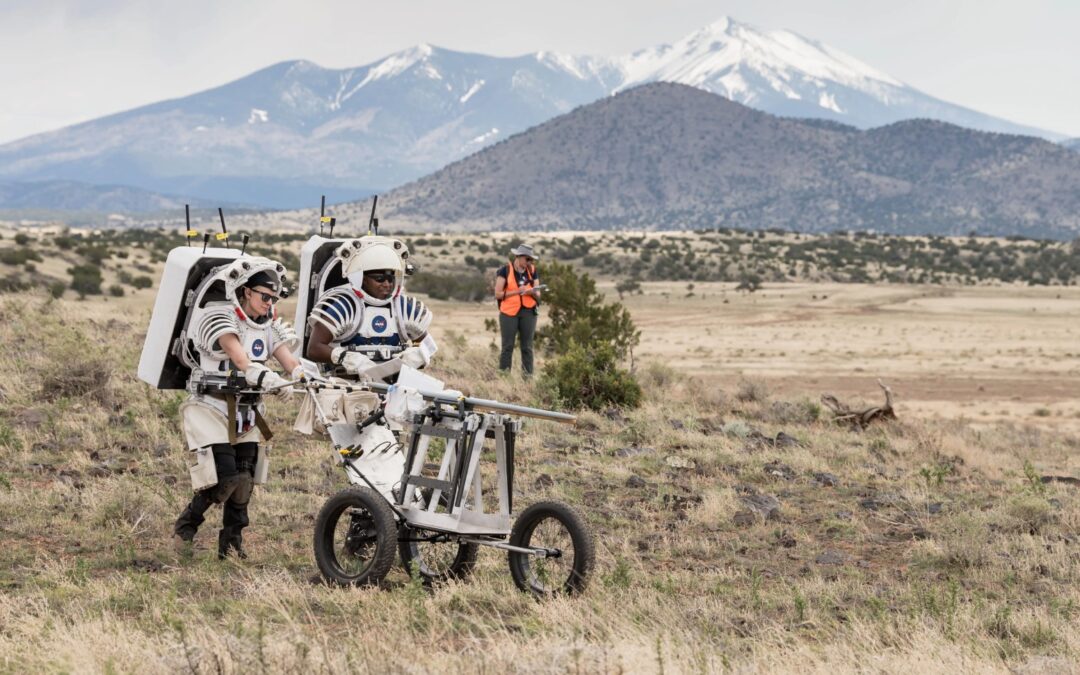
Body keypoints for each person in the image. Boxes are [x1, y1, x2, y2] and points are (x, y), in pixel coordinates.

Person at [173, 259, 302, 559]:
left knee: (245, 481)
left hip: (246, 412)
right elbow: (240, 359)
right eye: (264, 296)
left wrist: (298, 377)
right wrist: (264, 375)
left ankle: (231, 544)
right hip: (211, 406)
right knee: (225, 476)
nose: (269, 304)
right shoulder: (221, 318)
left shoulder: (268, 327)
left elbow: (289, 361)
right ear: (245, 292)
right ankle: (186, 526)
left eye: (274, 299)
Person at [304, 236, 434, 499]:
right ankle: (368, 514)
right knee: (364, 465)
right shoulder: (341, 304)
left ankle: (386, 514)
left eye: (391, 277)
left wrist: (418, 356)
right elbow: (314, 347)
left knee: (393, 460)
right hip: (351, 393)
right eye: (379, 278)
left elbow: (428, 343)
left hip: (393, 393)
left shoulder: (403, 308)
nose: (387, 284)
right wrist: (345, 357)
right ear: (360, 277)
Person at [494, 244, 541, 375]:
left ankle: (527, 379)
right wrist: (516, 292)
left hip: (529, 312)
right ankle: (504, 377)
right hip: (509, 313)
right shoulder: (504, 271)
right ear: (518, 257)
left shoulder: (532, 270)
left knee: (527, 347)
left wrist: (531, 292)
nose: (529, 262)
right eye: (527, 259)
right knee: (507, 347)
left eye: (531, 260)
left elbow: (538, 294)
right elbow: (497, 294)